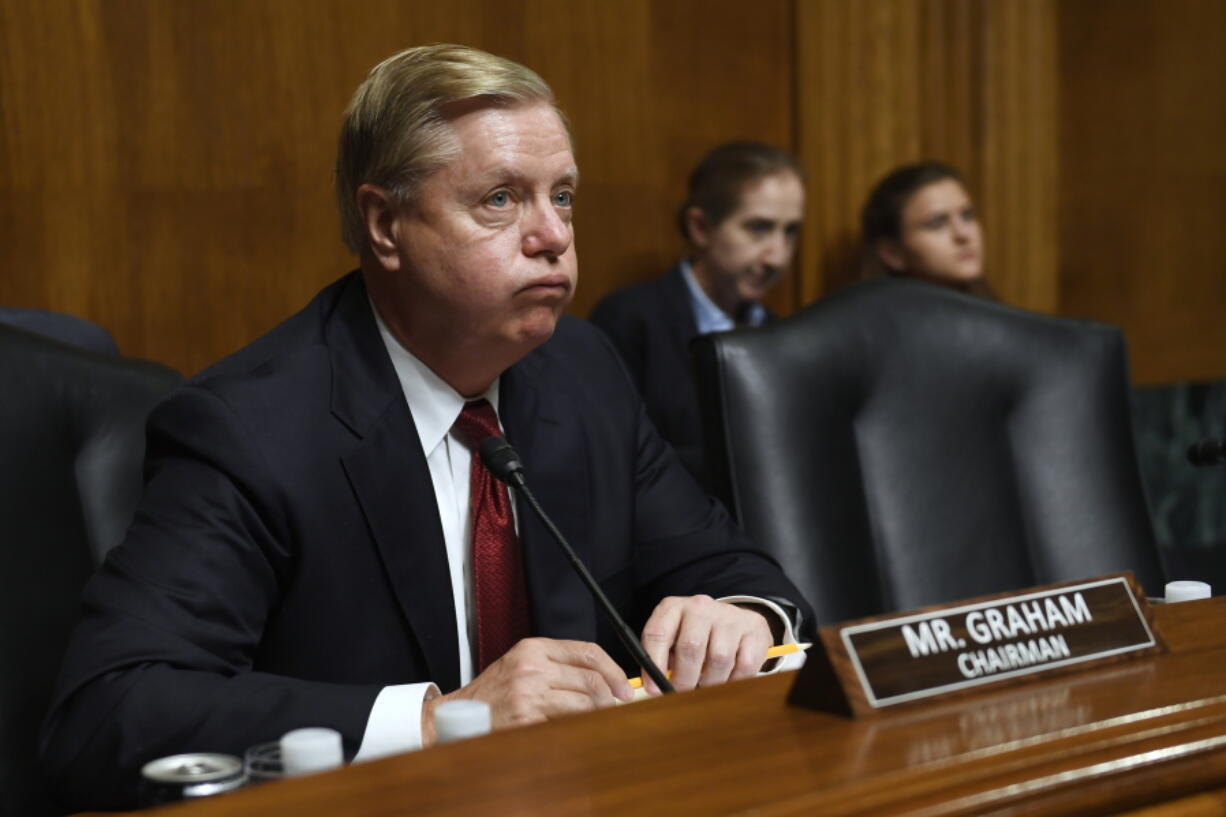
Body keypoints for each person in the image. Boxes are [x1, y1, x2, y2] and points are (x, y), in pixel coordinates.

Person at [38, 44, 811, 810]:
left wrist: (736, 617)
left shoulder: (582, 371)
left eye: (564, 196)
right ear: (384, 224)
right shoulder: (251, 428)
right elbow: (110, 712)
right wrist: (438, 721)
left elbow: (747, 576)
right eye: (502, 199)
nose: (554, 235)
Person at [590, 142, 805, 483]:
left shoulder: (779, 333)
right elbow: (619, 457)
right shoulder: (631, 320)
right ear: (701, 228)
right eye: (759, 228)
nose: (777, 257)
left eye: (790, 231)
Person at [859, 161, 991, 297]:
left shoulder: (996, 313)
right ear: (892, 253)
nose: (963, 234)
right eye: (937, 223)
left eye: (967, 215)